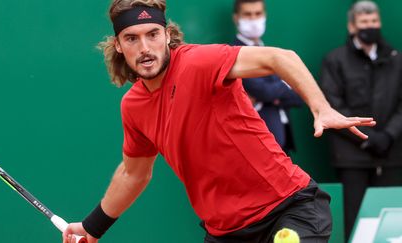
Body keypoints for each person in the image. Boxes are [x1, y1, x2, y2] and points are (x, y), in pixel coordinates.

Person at [62, 0, 375, 242]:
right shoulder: (133, 106)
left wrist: (320, 108)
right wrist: (93, 226)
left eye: (152, 35)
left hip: (289, 210)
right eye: (131, 38)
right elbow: (134, 175)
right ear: (118, 45)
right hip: (226, 232)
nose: (144, 48)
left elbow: (280, 57)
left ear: (167, 36)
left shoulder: (199, 62)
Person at [320, 0, 402, 240]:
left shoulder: (397, 59)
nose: (371, 26)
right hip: (352, 157)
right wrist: (367, 138)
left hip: (390, 155)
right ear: (352, 26)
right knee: (354, 222)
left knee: (391, 225)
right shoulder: (335, 60)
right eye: (365, 22)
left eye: (374, 21)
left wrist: (388, 136)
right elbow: (332, 104)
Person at [231, 0, 303, 153]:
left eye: (258, 14)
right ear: (236, 18)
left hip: (281, 140)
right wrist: (286, 82)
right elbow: (263, 91)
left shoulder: (267, 50)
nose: (253, 20)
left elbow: (298, 95)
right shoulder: (235, 53)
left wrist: (275, 94)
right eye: (247, 14)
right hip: (258, 143)